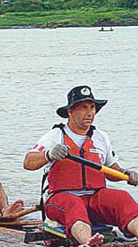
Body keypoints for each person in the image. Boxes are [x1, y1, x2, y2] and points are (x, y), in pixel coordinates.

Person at [24, 85, 138, 246]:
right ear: (70, 112)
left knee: (122, 198)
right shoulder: (56, 136)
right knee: (74, 204)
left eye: (92, 107)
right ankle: (88, 243)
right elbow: (28, 162)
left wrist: (126, 174)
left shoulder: (100, 137)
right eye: (84, 108)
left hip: (94, 198)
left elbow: (112, 170)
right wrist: (48, 154)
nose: (90, 112)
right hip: (61, 199)